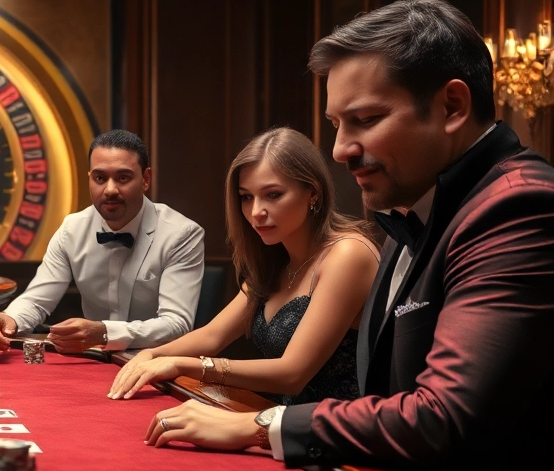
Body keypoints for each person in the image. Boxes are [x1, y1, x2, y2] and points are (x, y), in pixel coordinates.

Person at [144, 0, 554, 471]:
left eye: (365, 120)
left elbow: (443, 418)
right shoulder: (418, 208)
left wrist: (261, 426)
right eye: (338, 124)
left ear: (452, 107)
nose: (340, 149)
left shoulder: (517, 207)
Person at [109, 128, 379, 404]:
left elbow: (292, 373)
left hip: (341, 434)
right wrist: (151, 354)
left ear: (313, 192)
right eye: (246, 196)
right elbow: (212, 336)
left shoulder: (348, 254)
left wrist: (181, 365)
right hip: (283, 425)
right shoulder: (274, 260)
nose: (255, 212)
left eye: (272, 195)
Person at [0, 129, 205, 354]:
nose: (110, 189)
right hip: (92, 361)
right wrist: (10, 319)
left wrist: (105, 332)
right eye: (100, 178)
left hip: (157, 363)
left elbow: (177, 324)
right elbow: (37, 301)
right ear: (90, 178)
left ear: (146, 179)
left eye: (123, 177)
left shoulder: (181, 235)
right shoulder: (72, 230)